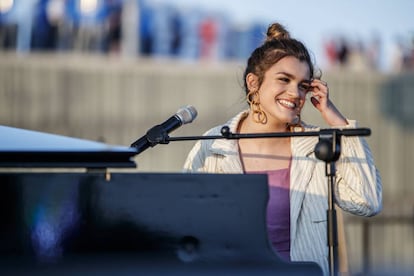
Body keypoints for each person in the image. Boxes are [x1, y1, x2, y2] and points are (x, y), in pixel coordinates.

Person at [183, 22, 382, 275]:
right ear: (253, 82)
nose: (295, 93)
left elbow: (367, 202)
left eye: (303, 85)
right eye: (284, 80)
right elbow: (188, 223)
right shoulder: (214, 144)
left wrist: (336, 121)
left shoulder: (318, 145)